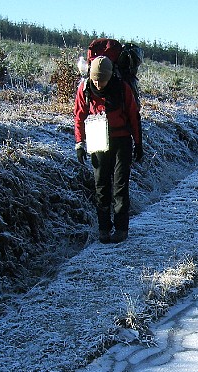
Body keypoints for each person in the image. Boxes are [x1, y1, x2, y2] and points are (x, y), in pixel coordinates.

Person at [74, 55, 143, 244]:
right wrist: (79, 143)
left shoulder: (122, 89)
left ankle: (121, 229)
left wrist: (138, 143)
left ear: (110, 76)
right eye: (95, 79)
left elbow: (133, 116)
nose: (98, 83)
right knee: (101, 186)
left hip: (121, 141)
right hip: (98, 140)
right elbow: (79, 116)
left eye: (101, 79)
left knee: (120, 187)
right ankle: (104, 229)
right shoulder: (85, 88)